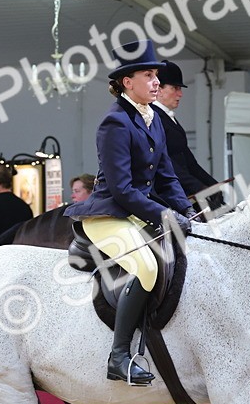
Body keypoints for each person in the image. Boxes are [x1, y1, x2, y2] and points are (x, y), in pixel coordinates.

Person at [64, 39, 196, 386]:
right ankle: (118, 356)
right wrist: (166, 217)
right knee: (147, 266)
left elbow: (167, 176)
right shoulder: (115, 123)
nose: (157, 82)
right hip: (109, 215)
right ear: (127, 82)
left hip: (138, 212)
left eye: (157, 76)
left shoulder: (152, 120)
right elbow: (123, 190)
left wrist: (187, 211)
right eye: (150, 75)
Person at [152, 60, 225, 212]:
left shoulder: (170, 119)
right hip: (165, 196)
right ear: (159, 89)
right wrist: (197, 187)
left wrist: (211, 184)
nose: (180, 94)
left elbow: (189, 161)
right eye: (175, 88)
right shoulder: (152, 119)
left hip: (182, 190)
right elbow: (166, 162)